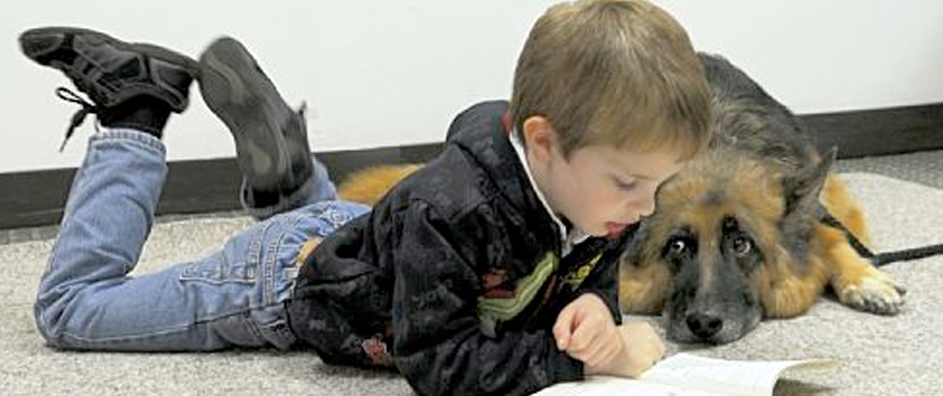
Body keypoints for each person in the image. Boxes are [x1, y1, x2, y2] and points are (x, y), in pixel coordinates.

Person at [19, 0, 712, 395]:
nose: (645, 209)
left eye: (658, 185)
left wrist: (594, 305)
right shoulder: (454, 211)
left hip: (368, 239)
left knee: (371, 234)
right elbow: (437, 363)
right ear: (543, 142)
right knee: (70, 311)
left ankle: (290, 184)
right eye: (630, 184)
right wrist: (586, 359)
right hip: (278, 285)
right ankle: (134, 110)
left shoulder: (600, 191)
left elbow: (584, 268)